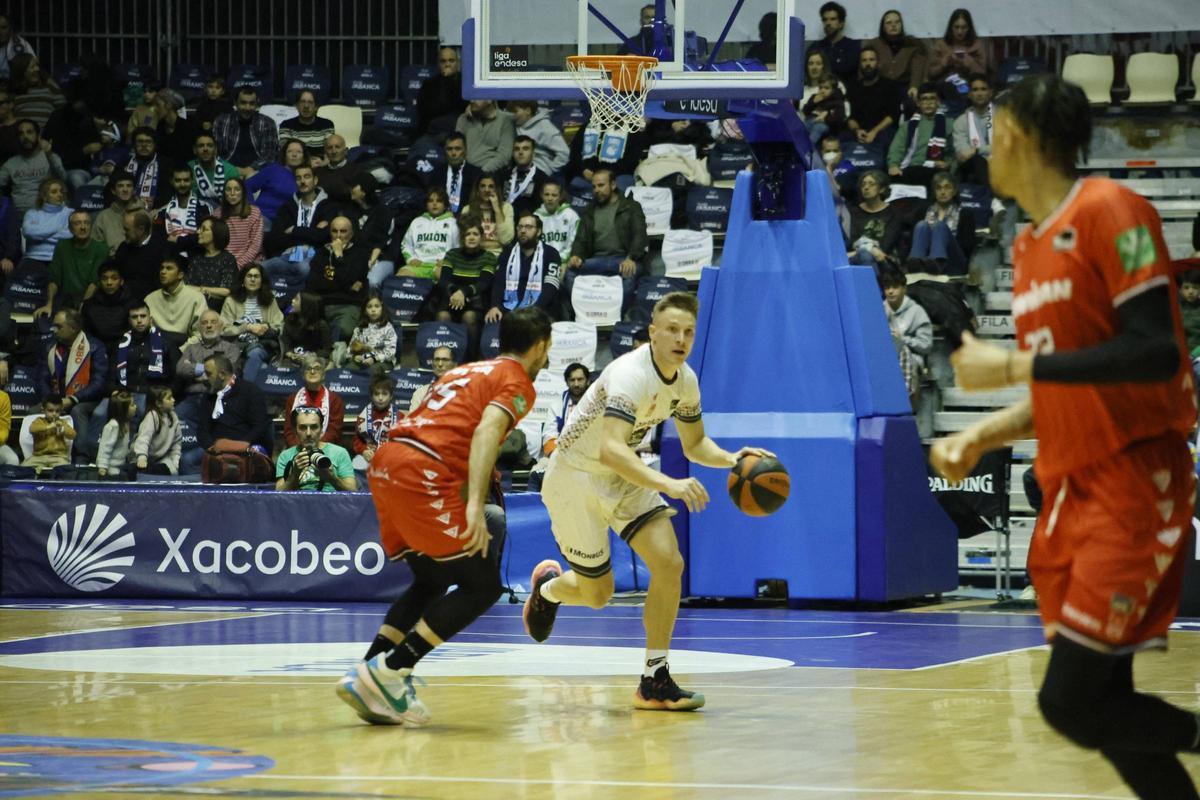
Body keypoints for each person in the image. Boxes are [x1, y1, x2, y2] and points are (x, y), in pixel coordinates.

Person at [929, 74, 1200, 800]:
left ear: (1013, 133)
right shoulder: (1026, 248)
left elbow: (1154, 352)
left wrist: (1012, 364)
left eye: (990, 133)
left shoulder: (1114, 211)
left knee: (1069, 703)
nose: (981, 147)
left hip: (1135, 479)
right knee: (1106, 712)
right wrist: (985, 433)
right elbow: (1066, 382)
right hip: (1072, 488)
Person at [525, 292, 771, 710]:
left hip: (621, 477)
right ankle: (548, 591)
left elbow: (695, 444)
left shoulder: (687, 380)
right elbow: (610, 449)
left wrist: (733, 459)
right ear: (653, 333)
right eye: (672, 330)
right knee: (598, 595)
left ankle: (654, 679)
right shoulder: (629, 374)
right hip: (576, 478)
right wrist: (670, 484)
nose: (681, 338)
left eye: (689, 332)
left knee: (669, 563)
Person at [336, 305, 552, 726]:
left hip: (385, 463)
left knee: (432, 578)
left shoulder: (464, 371)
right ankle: (392, 670)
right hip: (422, 468)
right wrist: (474, 502)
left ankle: (368, 672)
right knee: (483, 585)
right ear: (540, 347)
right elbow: (488, 430)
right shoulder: (517, 380)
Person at [564, 169, 647, 317]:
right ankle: (588, 312)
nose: (596, 190)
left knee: (630, 274)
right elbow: (581, 239)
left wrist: (632, 257)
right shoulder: (590, 210)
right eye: (594, 187)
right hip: (596, 261)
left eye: (601, 185)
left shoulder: (631, 207)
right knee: (570, 273)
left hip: (623, 260)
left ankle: (614, 316)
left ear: (613, 184)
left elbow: (639, 235)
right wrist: (576, 255)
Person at [36, 308, 108, 446]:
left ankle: (81, 458)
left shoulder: (94, 347)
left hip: (86, 400)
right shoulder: (49, 347)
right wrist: (50, 401)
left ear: (73, 328)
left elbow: (99, 383)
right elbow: (42, 378)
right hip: (56, 399)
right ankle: (39, 454)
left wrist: (73, 399)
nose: (54, 330)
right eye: (54, 326)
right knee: (34, 411)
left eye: (59, 326)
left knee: (77, 411)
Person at [194, 353, 272, 467]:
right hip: (216, 451)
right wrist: (211, 447)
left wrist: (238, 447)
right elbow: (202, 430)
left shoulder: (251, 392)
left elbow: (259, 427)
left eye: (208, 374)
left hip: (246, 449)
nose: (204, 378)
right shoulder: (208, 397)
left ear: (222, 374)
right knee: (187, 461)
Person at [263, 162, 333, 284]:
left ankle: (291, 292)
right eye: (298, 178)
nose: (302, 181)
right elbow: (275, 238)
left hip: (314, 256)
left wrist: (295, 230)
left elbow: (324, 236)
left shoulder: (328, 206)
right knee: (259, 269)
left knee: (303, 268)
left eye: (307, 176)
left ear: (315, 180)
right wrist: (311, 233)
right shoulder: (287, 207)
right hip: (288, 254)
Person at [487, 212, 561, 323]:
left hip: (540, 309)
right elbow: (499, 282)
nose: (523, 230)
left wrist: (533, 311)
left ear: (539, 231)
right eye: (520, 227)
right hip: (509, 308)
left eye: (528, 227)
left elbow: (550, 286)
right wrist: (495, 306)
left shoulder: (551, 253)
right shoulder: (507, 252)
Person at [437, 215, 497, 349]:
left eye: (475, 234)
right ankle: (447, 358)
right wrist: (456, 294)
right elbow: (443, 281)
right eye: (467, 234)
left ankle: (470, 359)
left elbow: (484, 283)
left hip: (476, 303)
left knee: (469, 317)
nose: (471, 237)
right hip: (452, 302)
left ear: (481, 237)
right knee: (442, 315)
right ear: (462, 237)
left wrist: (463, 292)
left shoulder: (488, 257)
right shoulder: (452, 254)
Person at [306, 215, 369, 341]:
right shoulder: (322, 253)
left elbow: (348, 280)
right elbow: (313, 284)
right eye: (335, 231)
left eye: (343, 231)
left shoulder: (360, 254)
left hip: (347, 305)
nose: (339, 235)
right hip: (322, 304)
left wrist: (339, 256)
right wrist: (345, 285)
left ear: (351, 234)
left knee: (344, 331)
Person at [221, 264, 283, 382]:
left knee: (255, 353)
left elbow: (279, 324)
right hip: (237, 343)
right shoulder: (231, 300)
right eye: (249, 276)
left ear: (261, 281)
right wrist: (247, 327)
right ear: (243, 279)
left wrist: (267, 326)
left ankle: (245, 388)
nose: (253, 279)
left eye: (256, 276)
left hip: (263, 343)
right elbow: (224, 328)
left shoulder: (270, 300)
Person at [880, 267, 932, 408]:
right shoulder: (878, 310)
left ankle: (903, 399)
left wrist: (903, 340)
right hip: (885, 357)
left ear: (904, 289)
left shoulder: (917, 312)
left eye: (895, 287)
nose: (890, 291)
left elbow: (926, 345)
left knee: (900, 349)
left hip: (912, 358)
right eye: (887, 288)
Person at [907, 171, 976, 276]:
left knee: (939, 226)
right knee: (922, 225)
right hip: (925, 259)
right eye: (938, 188)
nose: (942, 192)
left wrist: (943, 240)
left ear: (954, 191)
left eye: (947, 187)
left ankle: (937, 261)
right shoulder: (922, 211)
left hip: (954, 261)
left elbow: (967, 247)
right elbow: (913, 240)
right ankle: (916, 264)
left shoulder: (965, 214)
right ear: (934, 192)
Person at [176, 309, 241, 420]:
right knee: (173, 419)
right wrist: (210, 371)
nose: (209, 326)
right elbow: (180, 369)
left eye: (213, 322)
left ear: (221, 326)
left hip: (220, 398)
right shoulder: (191, 349)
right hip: (193, 398)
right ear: (199, 328)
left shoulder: (231, 348)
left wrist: (195, 370)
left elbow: (229, 372)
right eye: (204, 323)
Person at [886, 82, 953, 189]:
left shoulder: (949, 124)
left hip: (936, 172)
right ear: (918, 103)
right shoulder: (908, 126)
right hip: (910, 168)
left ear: (938, 102)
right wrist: (893, 165)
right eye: (924, 99)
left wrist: (948, 164)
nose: (928, 103)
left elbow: (953, 153)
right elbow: (896, 148)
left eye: (932, 98)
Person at [276, 406, 356, 492]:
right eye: (302, 427)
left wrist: (332, 477)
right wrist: (294, 474)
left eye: (314, 427)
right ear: (295, 430)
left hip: (331, 503)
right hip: (297, 503)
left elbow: (352, 491)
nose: (308, 433)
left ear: (321, 429)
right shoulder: (285, 456)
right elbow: (278, 494)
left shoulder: (339, 453)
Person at [0, 119, 65, 216]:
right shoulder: (10, 163)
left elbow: (63, 179)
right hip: (18, 217)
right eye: (21, 134)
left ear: (38, 136)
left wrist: (49, 155)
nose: (25, 136)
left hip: (48, 214)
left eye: (29, 132)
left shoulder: (49, 157)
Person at [143, 256, 207, 351]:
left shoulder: (196, 298)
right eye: (162, 268)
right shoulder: (150, 299)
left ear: (180, 275)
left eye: (169, 268)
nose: (163, 272)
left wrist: (181, 350)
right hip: (155, 349)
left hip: (186, 349)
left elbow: (201, 333)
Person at [864, 9, 927, 103]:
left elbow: (917, 68)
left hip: (904, 86)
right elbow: (866, 65)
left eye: (897, 22)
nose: (893, 25)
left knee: (911, 103)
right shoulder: (874, 44)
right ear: (883, 27)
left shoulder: (913, 44)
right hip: (880, 85)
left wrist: (914, 86)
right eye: (889, 23)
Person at [282, 354, 345, 447]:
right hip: (297, 449)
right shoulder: (293, 399)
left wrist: (317, 448)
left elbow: (334, 432)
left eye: (317, 368)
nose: (312, 372)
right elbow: (289, 430)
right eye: (308, 369)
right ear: (303, 375)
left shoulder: (334, 400)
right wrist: (299, 448)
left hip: (325, 449)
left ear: (323, 375)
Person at [212, 87, 278, 174]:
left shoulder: (267, 123)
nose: (247, 108)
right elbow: (215, 152)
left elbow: (269, 155)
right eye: (243, 103)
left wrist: (250, 169)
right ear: (235, 103)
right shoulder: (221, 121)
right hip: (226, 171)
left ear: (257, 104)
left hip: (258, 171)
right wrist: (231, 169)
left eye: (252, 103)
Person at [81, 263, 135, 366]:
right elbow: (86, 334)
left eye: (114, 278)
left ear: (121, 281)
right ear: (99, 282)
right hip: (97, 349)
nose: (109, 282)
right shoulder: (89, 305)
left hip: (124, 348)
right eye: (104, 279)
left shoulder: (132, 304)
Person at [846, 170, 900, 271]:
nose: (866, 188)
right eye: (863, 184)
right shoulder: (852, 212)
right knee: (864, 256)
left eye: (872, 184)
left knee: (867, 256)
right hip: (857, 257)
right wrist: (870, 248)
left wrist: (867, 249)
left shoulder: (893, 213)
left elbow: (886, 246)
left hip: (883, 259)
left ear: (882, 189)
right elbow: (852, 241)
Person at [399, 187, 457, 279]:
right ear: (426, 204)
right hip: (419, 266)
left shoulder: (453, 223)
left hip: (440, 266)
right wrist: (411, 259)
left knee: (444, 277)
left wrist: (448, 261)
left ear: (445, 205)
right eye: (430, 201)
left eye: (439, 201)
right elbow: (405, 245)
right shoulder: (417, 222)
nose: (434, 204)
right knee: (401, 275)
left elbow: (459, 248)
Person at [111, 209, 168, 303]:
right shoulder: (123, 248)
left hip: (154, 302)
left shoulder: (161, 248)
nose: (124, 233)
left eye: (127, 229)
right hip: (125, 301)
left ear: (141, 229)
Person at [245, 138, 305, 227]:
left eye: (299, 152)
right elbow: (247, 185)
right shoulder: (273, 170)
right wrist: (252, 209)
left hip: (286, 223)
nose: (294, 155)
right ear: (285, 155)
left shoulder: (305, 177)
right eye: (290, 151)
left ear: (304, 156)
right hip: (262, 217)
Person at [210, 176, 264, 270]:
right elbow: (214, 245)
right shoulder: (217, 214)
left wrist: (236, 266)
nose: (232, 193)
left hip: (249, 264)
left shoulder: (254, 213)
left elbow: (255, 247)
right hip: (223, 263)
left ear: (243, 192)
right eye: (228, 189)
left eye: (237, 189)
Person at [188, 217, 239, 311]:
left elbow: (227, 290)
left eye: (204, 229)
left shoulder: (227, 259)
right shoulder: (196, 258)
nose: (198, 232)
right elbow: (187, 287)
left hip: (221, 309)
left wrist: (203, 290)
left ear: (216, 233)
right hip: (195, 305)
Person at [927, 9, 988, 88]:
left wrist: (968, 62)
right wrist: (943, 64)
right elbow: (931, 73)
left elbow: (982, 74)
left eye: (964, 27)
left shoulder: (976, 45)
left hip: (970, 85)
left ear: (969, 28)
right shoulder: (941, 45)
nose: (960, 32)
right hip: (944, 85)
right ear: (951, 27)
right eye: (956, 27)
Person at [423, 131, 480, 214]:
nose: (453, 153)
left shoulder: (476, 174)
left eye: (458, 149)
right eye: (449, 149)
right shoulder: (436, 174)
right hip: (440, 218)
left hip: (467, 219)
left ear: (465, 150)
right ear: (444, 151)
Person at [351, 374, 399, 474]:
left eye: (384, 394)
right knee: (356, 464)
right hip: (369, 455)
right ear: (371, 396)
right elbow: (357, 440)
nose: (380, 398)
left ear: (391, 396)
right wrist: (363, 451)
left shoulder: (399, 416)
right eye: (376, 394)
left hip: (391, 457)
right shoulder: (363, 416)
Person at [952, 74, 994, 186]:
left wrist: (977, 150)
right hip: (971, 166)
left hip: (1000, 162)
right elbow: (963, 154)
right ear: (970, 94)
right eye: (975, 90)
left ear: (990, 93)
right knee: (978, 161)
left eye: (983, 89)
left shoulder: (1002, 117)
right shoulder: (961, 122)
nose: (979, 93)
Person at [507, 101, 569, 177]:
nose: (511, 116)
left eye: (515, 112)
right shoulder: (513, 125)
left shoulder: (544, 126)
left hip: (540, 173)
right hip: (518, 171)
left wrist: (549, 170)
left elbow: (564, 153)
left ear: (528, 111)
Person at [340, 293, 396, 373]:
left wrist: (374, 358)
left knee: (371, 371)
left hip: (382, 361)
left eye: (377, 306)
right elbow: (350, 349)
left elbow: (391, 352)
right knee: (348, 370)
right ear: (365, 310)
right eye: (369, 307)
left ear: (382, 308)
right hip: (362, 360)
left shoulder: (388, 328)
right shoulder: (359, 329)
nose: (373, 310)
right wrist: (354, 357)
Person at [132, 384, 181, 475]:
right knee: (143, 472)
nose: (173, 400)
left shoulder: (174, 417)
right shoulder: (152, 416)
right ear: (158, 403)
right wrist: (142, 457)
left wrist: (175, 460)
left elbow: (176, 443)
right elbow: (143, 439)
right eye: (169, 398)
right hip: (144, 458)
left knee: (172, 472)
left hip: (162, 458)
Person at [156, 166, 211, 247]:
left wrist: (178, 240)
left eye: (186, 180)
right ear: (171, 181)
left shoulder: (204, 208)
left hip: (196, 256)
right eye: (178, 180)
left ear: (192, 181)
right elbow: (159, 238)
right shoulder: (163, 211)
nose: (182, 184)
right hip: (171, 256)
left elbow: (205, 237)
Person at [455, 100, 515, 174]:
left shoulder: (505, 119)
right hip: (465, 173)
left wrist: (482, 173)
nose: (471, 101)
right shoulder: (463, 119)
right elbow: (456, 148)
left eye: (476, 97)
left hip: (493, 174)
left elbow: (504, 155)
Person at [417, 46, 466, 135]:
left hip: (460, 130)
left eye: (451, 61)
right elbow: (424, 111)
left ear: (458, 63)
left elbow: (461, 107)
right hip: (435, 130)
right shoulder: (429, 84)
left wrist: (450, 82)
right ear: (438, 64)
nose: (447, 64)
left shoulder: (466, 82)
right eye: (443, 61)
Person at [119, 127, 172, 208]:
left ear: (155, 144)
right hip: (124, 208)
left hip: (155, 211)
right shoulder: (123, 163)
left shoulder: (166, 165)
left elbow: (168, 194)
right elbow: (112, 190)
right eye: (140, 141)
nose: (144, 145)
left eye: (148, 142)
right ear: (134, 144)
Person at [460, 175, 513, 256]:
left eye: (491, 186)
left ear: (496, 189)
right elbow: (464, 240)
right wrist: (496, 243)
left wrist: (497, 210)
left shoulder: (506, 208)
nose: (487, 190)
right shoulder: (467, 209)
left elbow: (506, 240)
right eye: (482, 186)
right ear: (477, 190)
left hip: (498, 255)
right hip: (474, 255)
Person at [22, 393, 75, 472]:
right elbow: (32, 429)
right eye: (50, 410)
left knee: (66, 472)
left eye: (57, 411)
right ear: (43, 410)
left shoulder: (62, 422)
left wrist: (63, 429)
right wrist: (49, 426)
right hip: (38, 457)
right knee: (23, 470)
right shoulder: (38, 421)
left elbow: (73, 435)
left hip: (58, 457)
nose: (54, 414)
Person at [92, 174, 144, 254]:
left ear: (133, 190)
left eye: (129, 186)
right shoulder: (103, 216)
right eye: (120, 186)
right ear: (113, 190)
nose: (125, 189)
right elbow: (95, 247)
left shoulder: (144, 214)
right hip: (112, 262)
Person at [499, 135, 549, 219]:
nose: (520, 152)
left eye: (525, 149)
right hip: (503, 221)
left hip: (527, 224)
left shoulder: (542, 179)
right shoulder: (503, 176)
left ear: (533, 153)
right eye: (517, 149)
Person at [810, 2, 860, 83]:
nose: (828, 23)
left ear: (841, 23)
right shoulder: (816, 47)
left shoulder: (852, 46)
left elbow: (847, 70)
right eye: (825, 20)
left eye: (833, 19)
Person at [280, 291, 332, 366]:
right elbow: (286, 342)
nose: (292, 300)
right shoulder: (290, 319)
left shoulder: (321, 325)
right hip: (294, 358)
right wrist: (290, 354)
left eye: (296, 299)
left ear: (306, 305)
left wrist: (311, 356)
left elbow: (326, 349)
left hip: (315, 359)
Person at [187, 131, 239, 207]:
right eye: (201, 146)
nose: (205, 149)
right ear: (195, 150)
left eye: (210, 145)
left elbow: (236, 200)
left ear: (215, 149)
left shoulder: (230, 171)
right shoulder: (189, 168)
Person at [277, 90, 334, 159]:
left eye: (310, 102)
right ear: (297, 105)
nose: (306, 106)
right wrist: (309, 162)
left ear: (316, 107)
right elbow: (286, 153)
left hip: (320, 165)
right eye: (302, 102)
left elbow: (330, 152)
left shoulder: (327, 125)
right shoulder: (286, 126)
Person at [534, 179, 580, 260]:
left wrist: (562, 260)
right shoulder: (535, 217)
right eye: (546, 194)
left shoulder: (571, 215)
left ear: (560, 196)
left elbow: (574, 244)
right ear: (541, 195)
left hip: (565, 261)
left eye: (554, 195)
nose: (550, 198)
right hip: (542, 261)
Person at [96, 389, 136, 479]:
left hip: (121, 467)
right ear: (123, 409)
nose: (135, 407)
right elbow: (104, 449)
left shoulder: (126, 424)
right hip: (111, 470)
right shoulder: (112, 426)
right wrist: (103, 467)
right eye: (132, 405)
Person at [408, 346, 455, 413]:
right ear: (432, 364)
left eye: (445, 360)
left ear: (454, 364)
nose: (440, 364)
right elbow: (413, 421)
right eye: (437, 359)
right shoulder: (421, 393)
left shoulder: (463, 392)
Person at [0, 14, 36, 83]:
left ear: (10, 29)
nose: (0, 32)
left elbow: (34, 69)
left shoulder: (21, 45)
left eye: (4, 28)